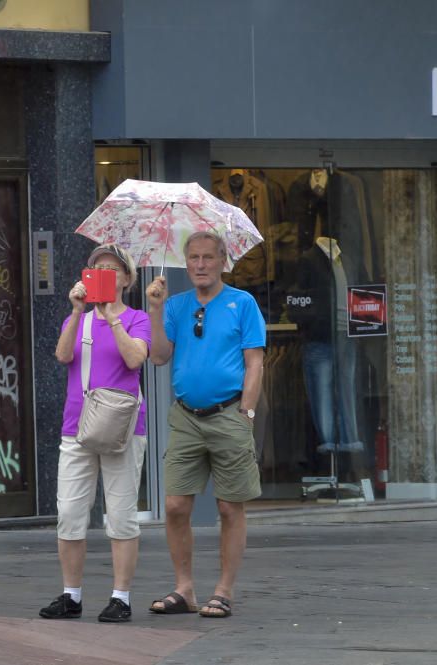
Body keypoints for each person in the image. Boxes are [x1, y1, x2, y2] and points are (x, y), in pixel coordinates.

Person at [145, 231, 266, 618]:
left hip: (229, 414)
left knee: (230, 508)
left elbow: (255, 362)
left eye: (207, 258)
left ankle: (223, 590)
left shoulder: (242, 303)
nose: (199, 265)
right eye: (193, 258)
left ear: (222, 260)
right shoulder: (176, 305)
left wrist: (246, 413)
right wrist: (155, 311)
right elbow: (160, 357)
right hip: (186, 417)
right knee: (175, 505)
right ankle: (184, 589)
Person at [39, 244, 151, 623]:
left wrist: (112, 319)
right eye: (97, 268)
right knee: (70, 511)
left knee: (120, 515)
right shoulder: (79, 319)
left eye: (113, 269)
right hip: (77, 426)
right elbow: (62, 355)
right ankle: (71, 594)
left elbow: (136, 359)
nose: (105, 273)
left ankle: (121, 597)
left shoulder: (136, 319)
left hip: (122, 427)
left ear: (127, 279)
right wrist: (77, 310)